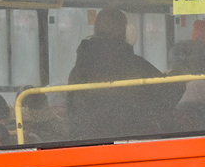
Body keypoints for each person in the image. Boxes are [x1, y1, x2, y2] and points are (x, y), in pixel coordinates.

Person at [67, 9, 173, 139]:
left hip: (87, 140)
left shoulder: (79, 69)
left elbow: (72, 108)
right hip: (133, 138)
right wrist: (176, 76)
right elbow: (164, 96)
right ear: (124, 31)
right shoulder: (135, 65)